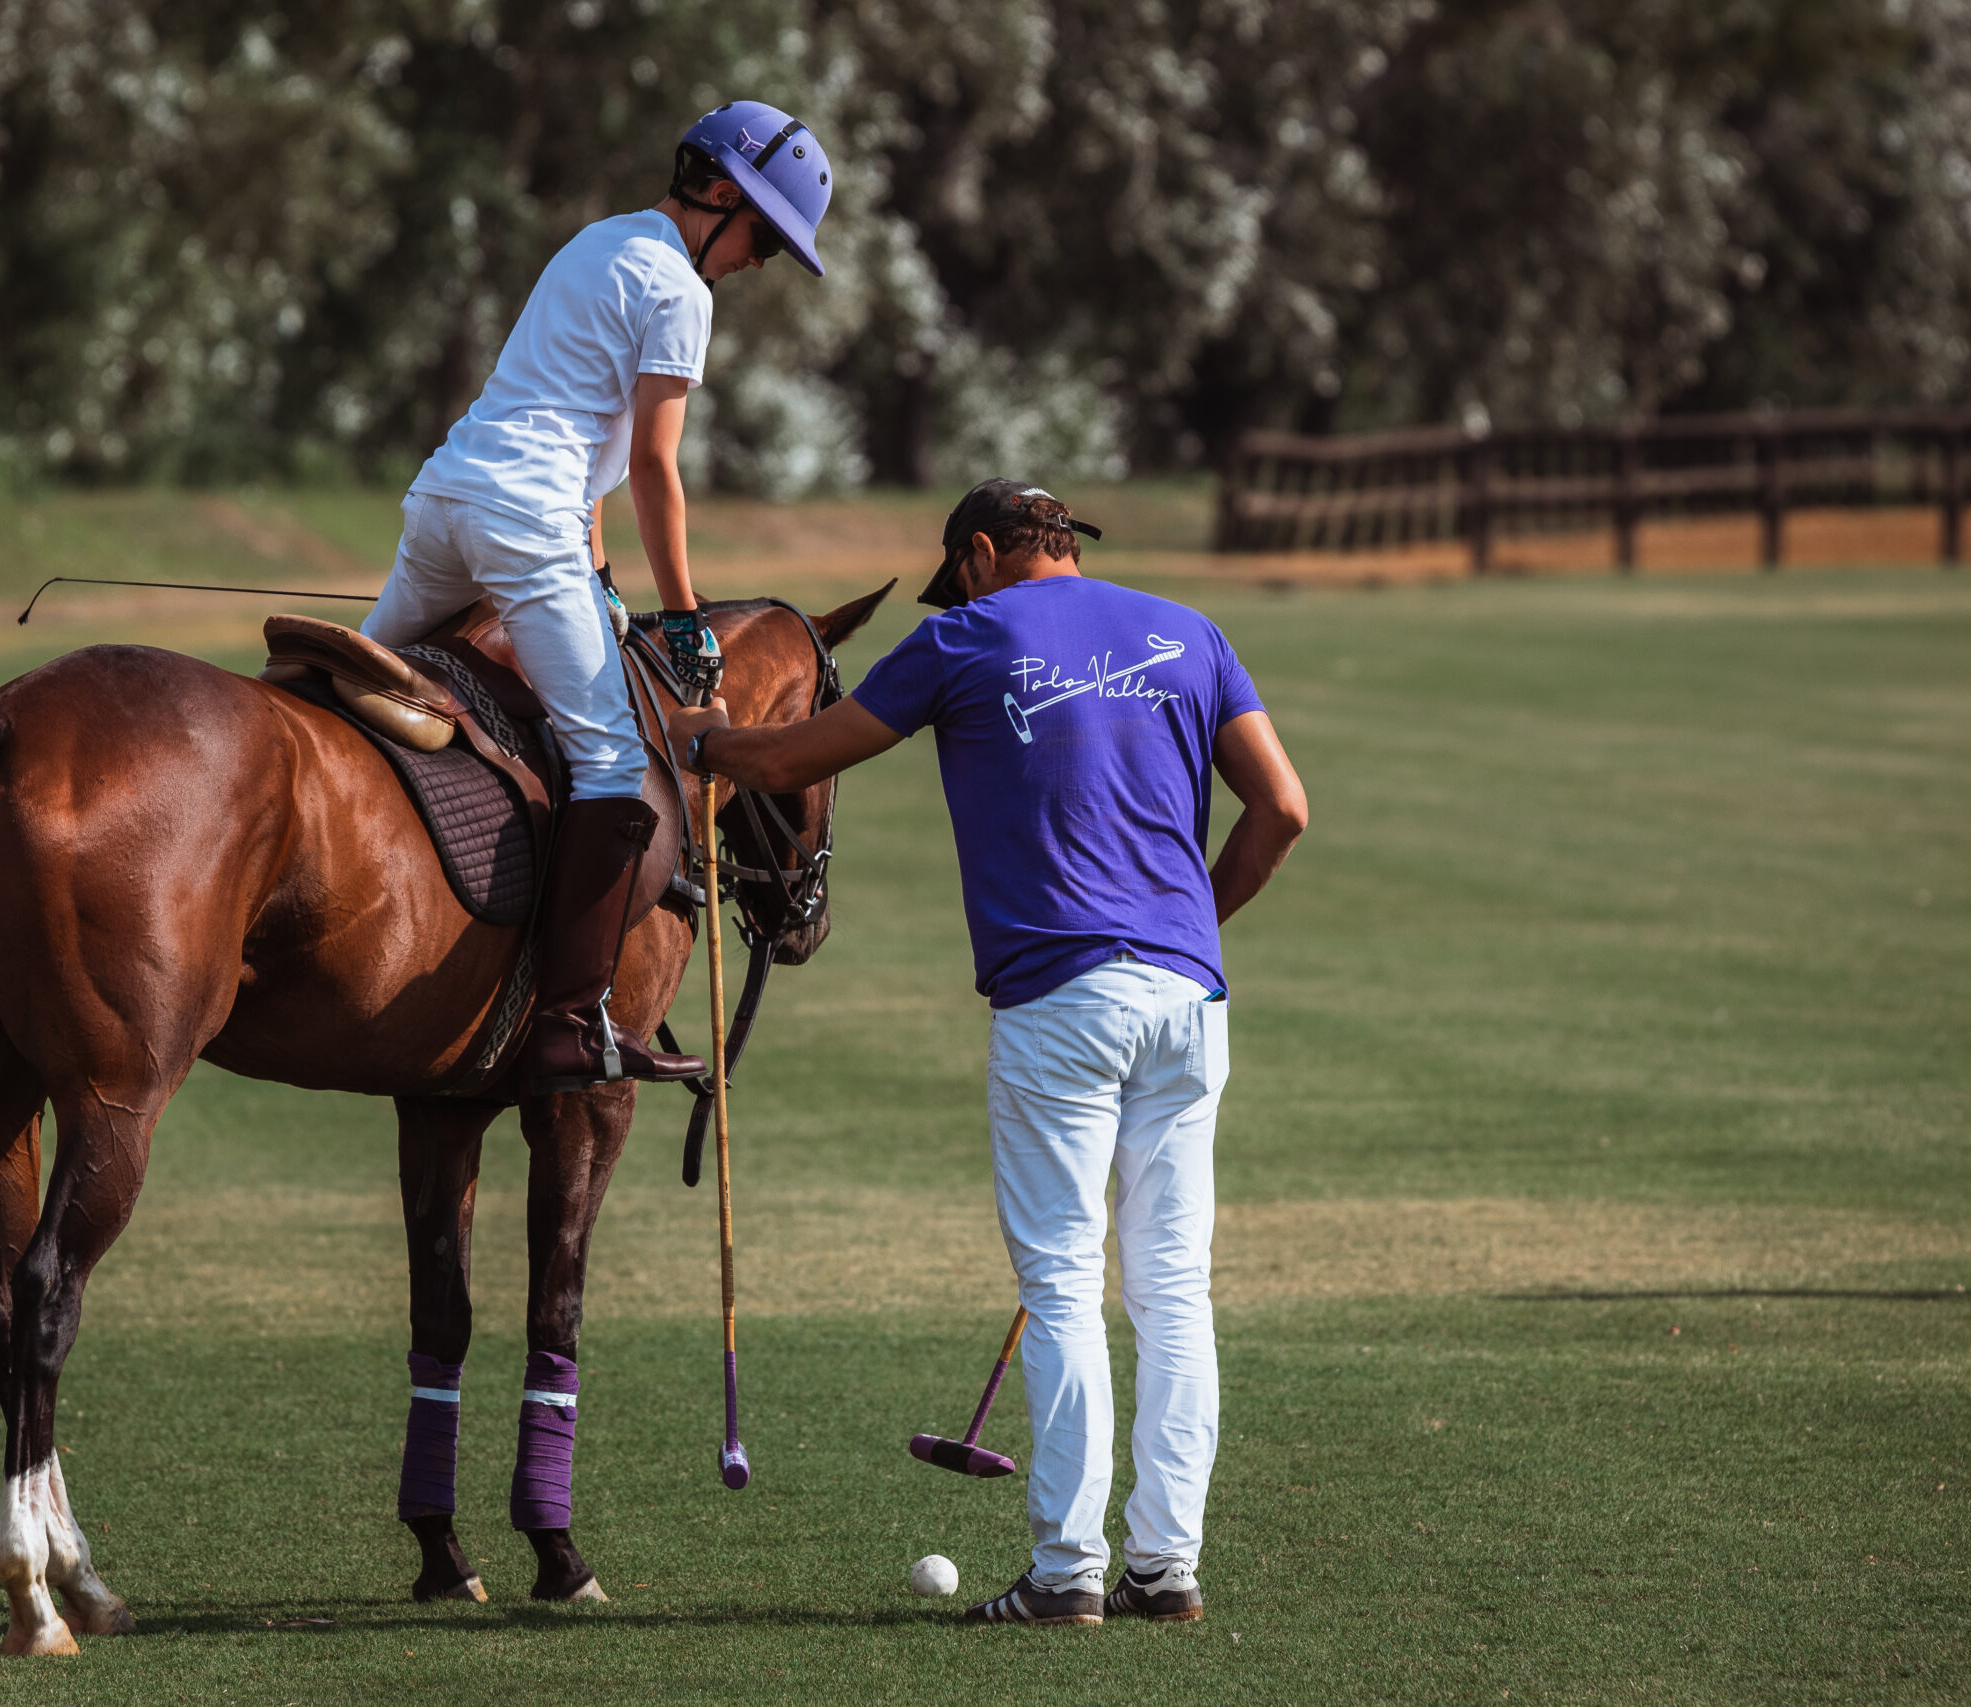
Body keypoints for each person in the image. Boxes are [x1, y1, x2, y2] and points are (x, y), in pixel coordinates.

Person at [667, 480, 1309, 1626]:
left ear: (977, 555)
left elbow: (792, 759)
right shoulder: (1190, 632)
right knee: (1172, 1292)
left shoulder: (959, 637)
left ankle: (1066, 1575)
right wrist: (1191, 927)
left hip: (1060, 1002)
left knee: (1063, 1283)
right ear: (1066, 546)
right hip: (1187, 1003)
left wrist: (699, 736)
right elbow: (1284, 810)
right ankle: (1165, 1569)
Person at [362, 100, 835, 1093]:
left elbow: (581, 436)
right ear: (718, 194)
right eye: (762, 237)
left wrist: (605, 580)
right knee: (616, 769)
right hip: (524, 526)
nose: (757, 263)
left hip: (446, 501)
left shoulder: (597, 242)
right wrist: (687, 618)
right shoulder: (681, 292)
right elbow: (657, 469)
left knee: (357, 685)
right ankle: (574, 1022)